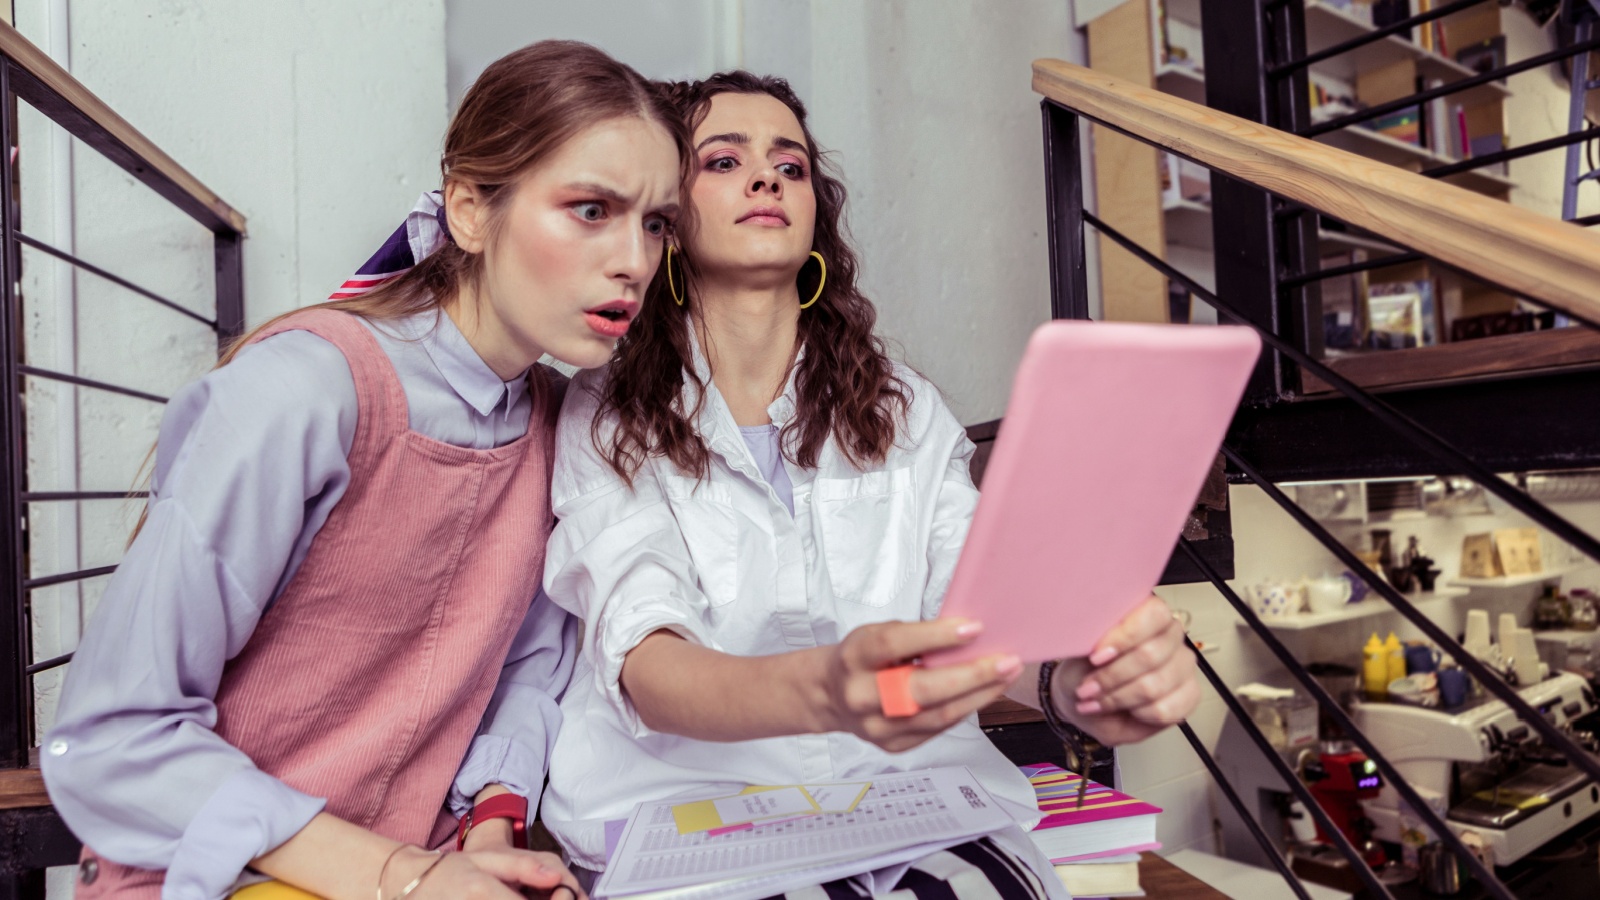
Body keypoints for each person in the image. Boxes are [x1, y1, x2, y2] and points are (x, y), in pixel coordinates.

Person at [505, 71, 1200, 899]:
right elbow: (648, 665)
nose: (766, 178)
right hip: (689, 818)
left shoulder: (904, 410)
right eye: (723, 161)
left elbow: (978, 620)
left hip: (911, 803)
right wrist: (827, 688)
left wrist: (1082, 682)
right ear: (665, 220)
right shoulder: (606, 409)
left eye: (790, 166)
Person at [41, 41, 686, 900]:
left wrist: (487, 834)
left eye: (655, 222)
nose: (634, 261)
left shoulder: (556, 422)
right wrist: (399, 875)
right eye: (591, 208)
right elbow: (114, 733)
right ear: (467, 209)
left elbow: (527, 667)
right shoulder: (303, 391)